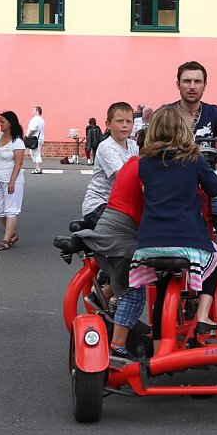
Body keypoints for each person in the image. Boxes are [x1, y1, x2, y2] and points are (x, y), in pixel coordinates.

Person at [128, 106, 217, 348]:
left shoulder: (145, 163)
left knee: (161, 290)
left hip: (149, 243)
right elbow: (214, 188)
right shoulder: (193, 158)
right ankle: (203, 315)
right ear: (183, 129)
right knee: (216, 253)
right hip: (187, 241)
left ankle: (160, 347)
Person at [169, 60, 217, 294]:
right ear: (177, 84)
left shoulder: (214, 112)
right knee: (167, 232)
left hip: (210, 183)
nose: (192, 86)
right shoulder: (167, 114)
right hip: (176, 187)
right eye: (187, 81)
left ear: (204, 85)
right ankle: (172, 287)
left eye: (197, 81)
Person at [77, 153, 146, 362]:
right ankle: (118, 346)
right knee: (133, 292)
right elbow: (154, 201)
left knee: (136, 277)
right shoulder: (146, 168)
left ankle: (102, 295)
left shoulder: (134, 162)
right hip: (120, 234)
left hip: (110, 226)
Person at [81, 102, 139, 227]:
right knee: (127, 230)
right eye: (119, 121)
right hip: (99, 205)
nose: (125, 125)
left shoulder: (134, 146)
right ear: (108, 124)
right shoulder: (106, 147)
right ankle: (86, 240)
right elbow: (123, 177)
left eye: (128, 121)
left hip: (120, 205)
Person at [0, 110, 26, 250]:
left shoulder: (17, 142)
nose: (0, 124)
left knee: (11, 210)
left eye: (2, 122)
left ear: (10, 123)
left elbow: (19, 163)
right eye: (0, 122)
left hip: (11, 181)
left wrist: (12, 181)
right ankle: (12, 234)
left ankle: (6, 240)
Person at [27, 106, 45, 174]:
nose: (32, 112)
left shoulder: (35, 119)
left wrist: (27, 136)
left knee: (36, 153)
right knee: (34, 153)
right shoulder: (41, 120)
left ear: (37, 111)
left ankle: (38, 169)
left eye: (33, 110)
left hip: (35, 139)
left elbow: (32, 129)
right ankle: (37, 168)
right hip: (39, 138)